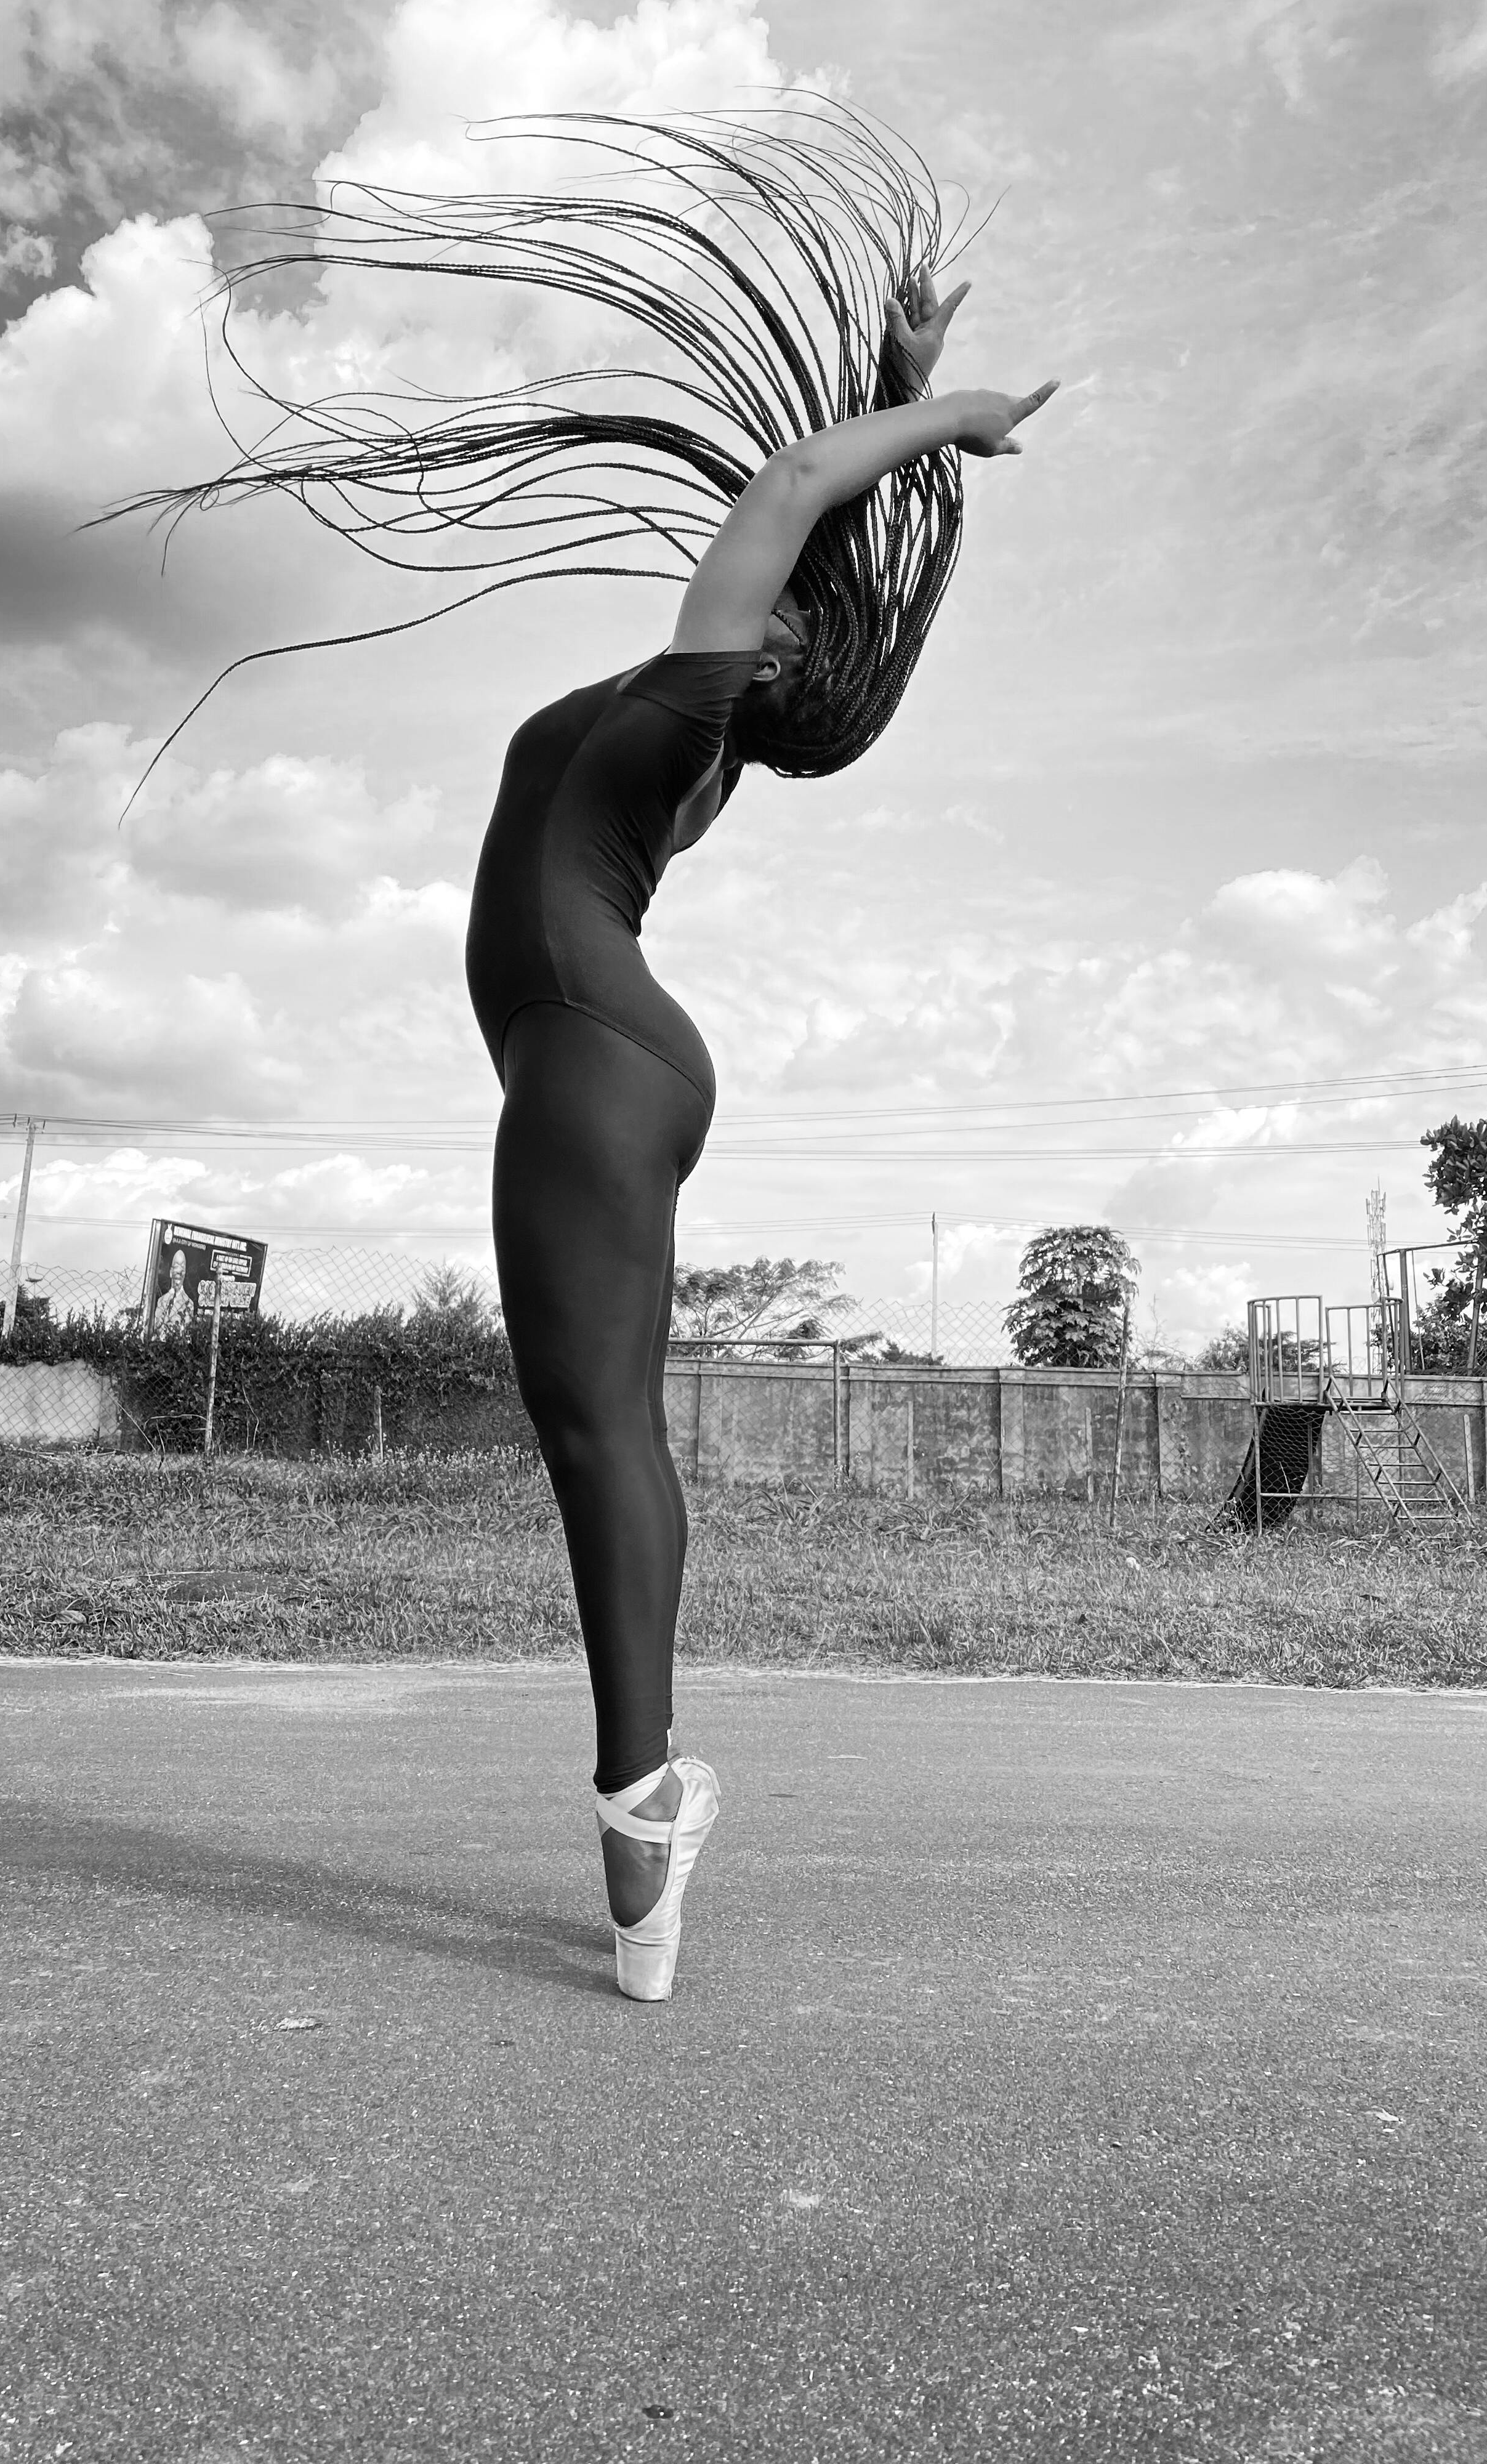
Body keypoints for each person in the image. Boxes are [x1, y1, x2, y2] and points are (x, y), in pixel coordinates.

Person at [105, 107, 1058, 2000]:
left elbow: (791, 491)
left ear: (763, 638)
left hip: (594, 1058)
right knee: (589, 1424)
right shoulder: (690, 739)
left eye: (764, 576)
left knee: (593, 1429)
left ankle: (644, 1808)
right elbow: (813, 522)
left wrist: (929, 426)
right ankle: (642, 1823)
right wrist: (906, 379)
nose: (746, 562)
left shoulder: (693, 704)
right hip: (600, 1053)